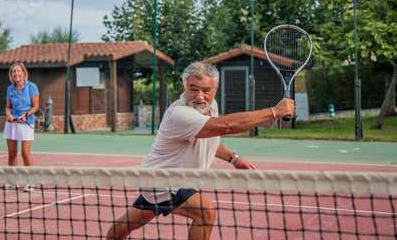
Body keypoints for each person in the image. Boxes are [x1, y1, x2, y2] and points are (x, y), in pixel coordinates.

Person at [106, 62, 295, 240]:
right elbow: (227, 126)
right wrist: (274, 111)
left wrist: (232, 157)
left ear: (215, 90)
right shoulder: (179, 114)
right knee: (205, 213)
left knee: (128, 223)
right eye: (193, 89)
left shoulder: (210, 106)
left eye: (206, 90)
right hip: (162, 181)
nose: (199, 97)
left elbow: (208, 139)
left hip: (162, 179)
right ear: (184, 88)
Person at [3, 62, 39, 192]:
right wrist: (9, 115)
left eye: (18, 71)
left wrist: (25, 115)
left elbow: (35, 106)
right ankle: (13, 181)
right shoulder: (10, 89)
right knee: (12, 153)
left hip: (26, 122)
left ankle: (31, 182)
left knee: (25, 152)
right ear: (11, 75)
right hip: (12, 123)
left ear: (23, 73)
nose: (16, 73)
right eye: (13, 71)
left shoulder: (32, 87)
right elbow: (8, 106)